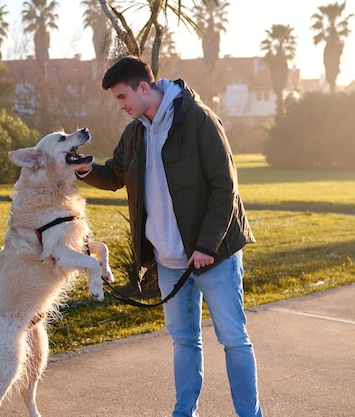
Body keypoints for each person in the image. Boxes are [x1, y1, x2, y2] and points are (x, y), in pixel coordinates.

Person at [77, 56, 263, 417]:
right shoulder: (135, 132)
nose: (120, 106)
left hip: (214, 254)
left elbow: (226, 188)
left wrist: (207, 245)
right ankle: (184, 412)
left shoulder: (198, 119)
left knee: (234, 339)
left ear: (143, 87)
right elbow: (115, 175)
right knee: (183, 340)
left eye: (121, 97)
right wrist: (85, 171)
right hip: (169, 260)